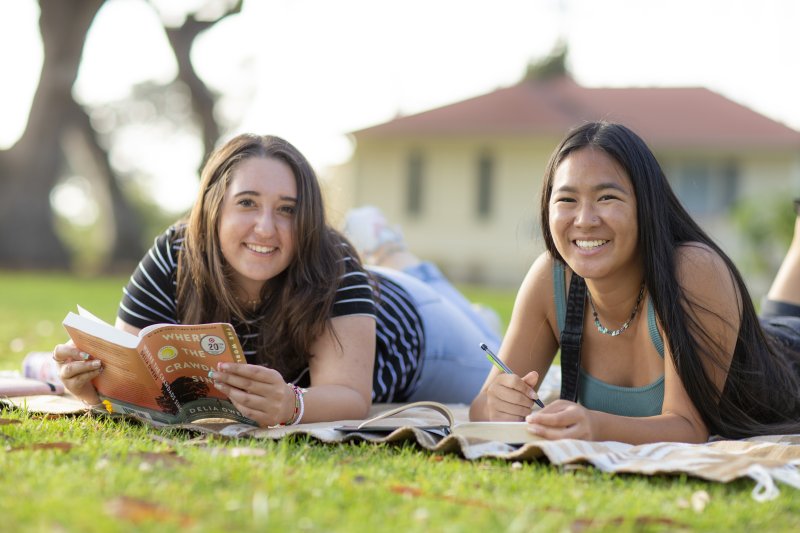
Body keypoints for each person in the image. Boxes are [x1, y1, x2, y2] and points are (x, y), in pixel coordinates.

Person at [53, 134, 498, 428]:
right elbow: (133, 375)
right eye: (247, 203)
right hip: (373, 288)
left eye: (287, 209)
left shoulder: (333, 262)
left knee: (490, 348)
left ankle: (402, 260)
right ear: (214, 207)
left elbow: (349, 397)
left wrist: (292, 405)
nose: (267, 227)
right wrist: (91, 387)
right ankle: (387, 248)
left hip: (422, 332)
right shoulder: (174, 256)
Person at [469, 121, 800, 443]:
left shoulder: (693, 270)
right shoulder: (550, 279)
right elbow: (481, 410)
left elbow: (688, 427)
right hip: (763, 337)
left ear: (646, 205)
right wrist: (497, 403)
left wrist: (594, 426)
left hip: (788, 367)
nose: (584, 220)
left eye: (607, 198)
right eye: (567, 200)